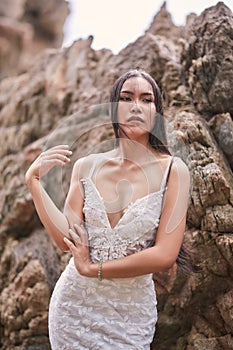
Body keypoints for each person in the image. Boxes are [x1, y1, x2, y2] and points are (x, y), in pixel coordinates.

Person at [25, 69, 192, 349]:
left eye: (146, 99)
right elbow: (66, 239)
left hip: (130, 317)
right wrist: (34, 184)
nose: (136, 106)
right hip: (73, 309)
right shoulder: (86, 166)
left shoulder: (174, 170)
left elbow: (165, 254)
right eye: (126, 99)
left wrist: (95, 269)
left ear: (156, 110)